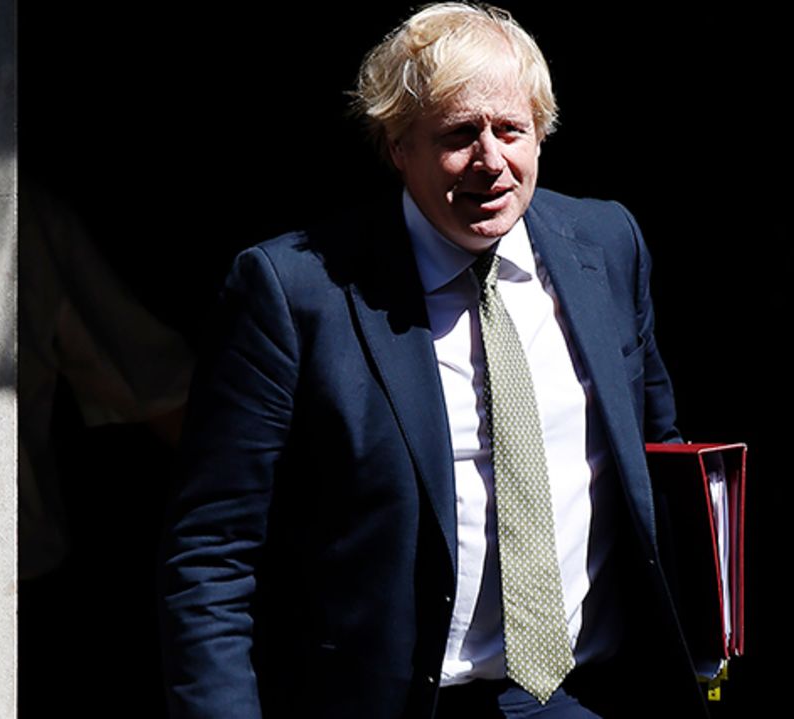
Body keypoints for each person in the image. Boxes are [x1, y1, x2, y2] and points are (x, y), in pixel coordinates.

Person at [158, 4, 707, 717]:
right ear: (397, 146)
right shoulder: (295, 292)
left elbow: (663, 465)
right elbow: (212, 552)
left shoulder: (607, 245)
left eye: (511, 130)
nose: (491, 161)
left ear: (540, 131)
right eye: (458, 135)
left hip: (586, 695)